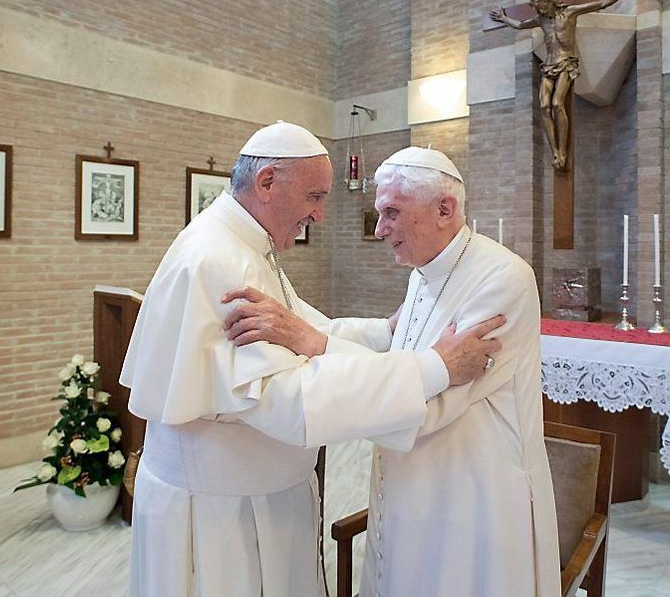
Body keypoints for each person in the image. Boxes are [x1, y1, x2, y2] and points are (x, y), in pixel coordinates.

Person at [119, 122, 504, 597]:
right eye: (314, 197)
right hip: (223, 512)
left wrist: (383, 334)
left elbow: (304, 331)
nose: (320, 215)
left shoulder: (240, 246)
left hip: (249, 495)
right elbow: (288, 401)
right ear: (266, 184)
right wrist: (435, 368)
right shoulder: (220, 261)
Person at [226, 146, 561, 596]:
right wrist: (313, 333)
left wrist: (314, 343)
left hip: (472, 493)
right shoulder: (424, 270)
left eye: (391, 213)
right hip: (412, 483)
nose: (380, 229)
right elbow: (403, 350)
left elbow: (431, 403)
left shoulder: (501, 278)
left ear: (445, 208)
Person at [489, 0, 649, 173]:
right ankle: (555, 150)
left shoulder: (570, 12)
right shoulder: (542, 20)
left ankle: (562, 152)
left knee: (557, 103)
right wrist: (504, 18)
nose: (542, 13)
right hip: (548, 66)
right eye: (539, 10)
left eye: (544, 8)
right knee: (544, 106)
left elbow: (602, 3)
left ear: (552, 4)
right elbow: (521, 24)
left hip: (566, 63)